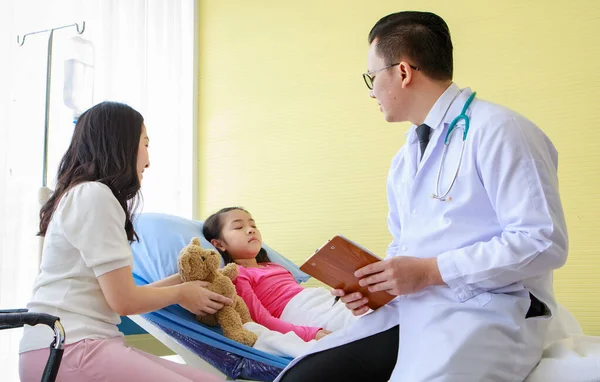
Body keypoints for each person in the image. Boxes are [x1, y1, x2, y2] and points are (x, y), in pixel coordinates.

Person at [276, 11, 568, 382]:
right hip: (413, 308)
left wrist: (431, 272)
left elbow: (543, 242)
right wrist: (378, 288)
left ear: (402, 72)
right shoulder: (406, 156)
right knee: (303, 377)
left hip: (487, 310)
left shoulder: (501, 131)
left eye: (372, 77)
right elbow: (405, 244)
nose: (370, 91)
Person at [19, 102, 230, 382]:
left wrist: (183, 281)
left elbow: (121, 294)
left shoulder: (83, 195)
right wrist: (182, 294)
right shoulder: (94, 196)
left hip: (67, 347)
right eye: (145, 143)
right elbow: (124, 301)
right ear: (121, 143)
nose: (148, 159)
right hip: (67, 348)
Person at [202, 207, 357, 342]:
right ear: (219, 244)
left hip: (319, 299)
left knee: (371, 310)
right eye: (238, 227)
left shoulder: (274, 266)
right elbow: (260, 319)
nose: (251, 229)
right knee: (362, 322)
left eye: (253, 225)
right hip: (298, 313)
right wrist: (310, 334)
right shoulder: (238, 273)